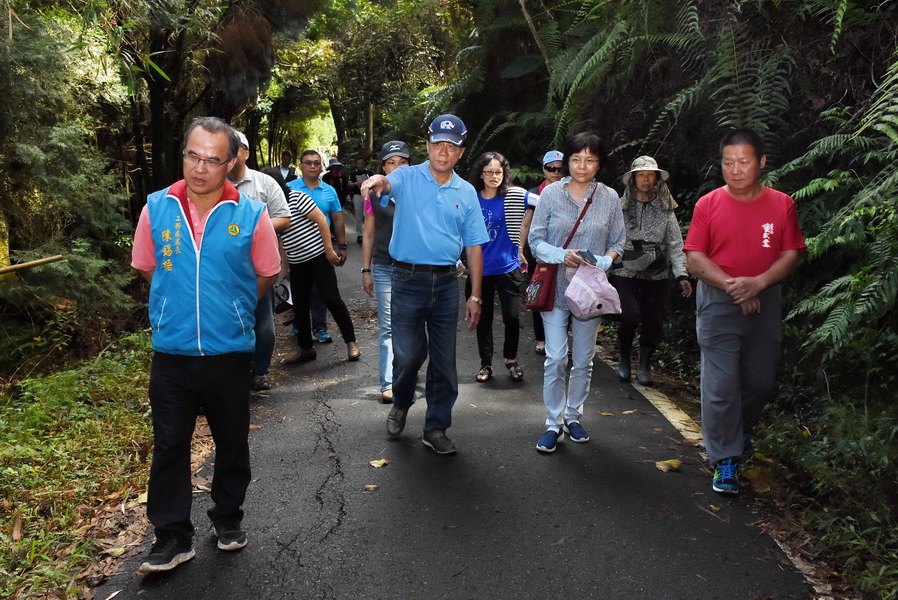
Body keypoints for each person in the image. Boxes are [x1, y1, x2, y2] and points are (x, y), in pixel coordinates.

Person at [130, 117, 280, 574]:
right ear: (183, 154)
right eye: (193, 155)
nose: (200, 168)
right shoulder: (156, 208)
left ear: (231, 162)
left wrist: (229, 308)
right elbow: (147, 268)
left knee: (232, 441)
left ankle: (228, 517)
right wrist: (177, 307)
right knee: (170, 444)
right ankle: (172, 535)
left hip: (229, 353)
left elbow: (267, 272)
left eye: (213, 159)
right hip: (172, 354)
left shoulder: (250, 214)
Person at [684, 129, 805, 495]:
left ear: (762, 162)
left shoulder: (782, 204)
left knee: (760, 381)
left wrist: (759, 283)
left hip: (764, 299)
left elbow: (792, 253)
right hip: (719, 300)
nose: (735, 170)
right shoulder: (708, 204)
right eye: (728, 162)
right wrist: (737, 287)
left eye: (744, 162)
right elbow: (694, 258)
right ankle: (725, 460)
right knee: (720, 387)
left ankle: (738, 430)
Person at [360, 114, 488, 455]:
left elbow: (474, 247)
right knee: (407, 355)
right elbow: (386, 184)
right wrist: (375, 181)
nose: (443, 151)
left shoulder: (467, 192)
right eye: (437, 144)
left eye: (451, 146)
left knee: (445, 363)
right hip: (406, 279)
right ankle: (401, 401)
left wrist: (475, 294)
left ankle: (436, 427)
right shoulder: (406, 175)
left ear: (461, 152)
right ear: (428, 145)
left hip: (446, 283)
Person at [528, 132, 625, 453]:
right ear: (567, 161)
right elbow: (535, 240)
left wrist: (603, 262)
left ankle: (573, 416)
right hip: (555, 286)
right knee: (556, 357)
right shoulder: (551, 195)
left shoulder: (610, 197)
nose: (583, 166)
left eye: (591, 159)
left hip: (589, 290)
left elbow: (618, 243)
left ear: (599, 164)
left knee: (584, 359)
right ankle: (553, 423)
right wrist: (561, 254)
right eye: (576, 159)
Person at [608, 156, 692, 387]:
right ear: (633, 179)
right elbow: (609, 234)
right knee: (629, 315)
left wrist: (682, 273)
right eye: (641, 175)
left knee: (653, 320)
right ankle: (624, 356)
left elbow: (675, 242)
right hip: (625, 266)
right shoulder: (620, 205)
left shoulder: (665, 206)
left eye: (650, 175)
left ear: (656, 178)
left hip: (656, 270)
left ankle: (644, 364)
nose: (646, 179)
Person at [228, 130, 291, 391]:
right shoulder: (211, 183)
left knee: (263, 324)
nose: (230, 152)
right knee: (228, 321)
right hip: (222, 267)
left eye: (236, 147)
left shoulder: (264, 183)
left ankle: (260, 371)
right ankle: (233, 372)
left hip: (258, 266)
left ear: (246, 152)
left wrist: (251, 228)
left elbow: (284, 218)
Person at [466, 151, 535, 382]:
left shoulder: (514, 196)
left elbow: (540, 202)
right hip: (480, 270)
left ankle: (511, 360)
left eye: (498, 172)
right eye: (489, 172)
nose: (494, 176)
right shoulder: (471, 197)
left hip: (508, 266)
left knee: (512, 317)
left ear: (504, 173)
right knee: (483, 319)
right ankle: (485, 364)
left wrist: (521, 245)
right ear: (481, 174)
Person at [285, 150, 360, 362]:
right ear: (300, 166)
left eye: (317, 163)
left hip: (320, 253)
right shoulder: (289, 190)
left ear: (321, 167)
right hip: (296, 256)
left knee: (332, 299)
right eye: (308, 163)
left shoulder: (328, 191)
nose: (312, 167)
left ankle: (351, 342)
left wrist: (342, 246)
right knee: (299, 304)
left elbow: (336, 220)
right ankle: (306, 348)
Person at [361, 140, 410, 403]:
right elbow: (368, 234)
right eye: (392, 162)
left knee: (411, 325)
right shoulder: (373, 194)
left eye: (402, 162)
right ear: (383, 167)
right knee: (389, 327)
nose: (397, 167)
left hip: (413, 268)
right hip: (383, 266)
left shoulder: (416, 190)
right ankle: (388, 384)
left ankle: (407, 376)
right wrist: (366, 269)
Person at [523, 150, 565, 354]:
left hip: (564, 253)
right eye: (551, 168)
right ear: (544, 169)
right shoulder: (534, 193)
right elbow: (526, 224)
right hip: (538, 254)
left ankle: (561, 341)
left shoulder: (571, 191)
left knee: (565, 297)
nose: (556, 173)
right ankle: (541, 338)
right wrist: (520, 249)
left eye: (559, 169)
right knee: (538, 294)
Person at [347, 157, 373, 243]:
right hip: (357, 195)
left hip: (367, 195)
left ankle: (368, 233)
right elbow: (349, 184)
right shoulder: (353, 173)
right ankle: (359, 234)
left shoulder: (369, 173)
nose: (360, 165)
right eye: (359, 163)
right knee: (358, 217)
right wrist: (356, 184)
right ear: (356, 164)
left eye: (362, 163)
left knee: (368, 215)